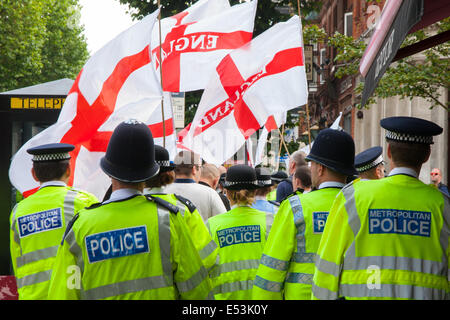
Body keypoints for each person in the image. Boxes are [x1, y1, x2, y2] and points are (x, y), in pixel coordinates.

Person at [48, 120, 212, 300]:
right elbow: (198, 290)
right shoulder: (168, 220)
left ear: (109, 172)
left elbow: (64, 293)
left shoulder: (80, 228)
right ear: (150, 174)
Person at [312, 116, 449, 300]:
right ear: (427, 155)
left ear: (389, 152)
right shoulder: (442, 205)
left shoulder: (353, 197)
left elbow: (326, 269)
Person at [253, 128, 357, 300]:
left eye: (312, 164)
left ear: (320, 168)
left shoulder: (295, 207)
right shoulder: (361, 206)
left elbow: (272, 269)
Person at [9, 143, 98, 300]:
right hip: (72, 294)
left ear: (34, 174)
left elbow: (17, 260)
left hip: (32, 296)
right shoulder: (83, 202)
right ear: (69, 170)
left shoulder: (19, 211)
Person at [144, 145, 218, 272]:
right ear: (194, 169)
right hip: (181, 278)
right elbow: (209, 256)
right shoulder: (185, 207)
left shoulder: (130, 206)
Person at [206, 165, 274, 299]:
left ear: (227, 192)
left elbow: (203, 267)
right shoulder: (271, 221)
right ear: (254, 191)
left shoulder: (212, 225)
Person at [165, 151, 227, 222]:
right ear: (194, 169)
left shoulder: (163, 191)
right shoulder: (209, 194)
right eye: (200, 167)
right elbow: (223, 223)